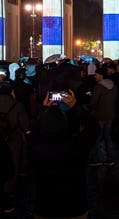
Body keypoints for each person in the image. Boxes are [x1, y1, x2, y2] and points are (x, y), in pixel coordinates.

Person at [28, 89, 99, 219]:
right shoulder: (77, 146)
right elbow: (93, 127)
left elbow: (32, 130)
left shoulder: (36, 147)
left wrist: (44, 110)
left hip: (45, 208)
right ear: (65, 124)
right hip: (74, 208)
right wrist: (75, 107)